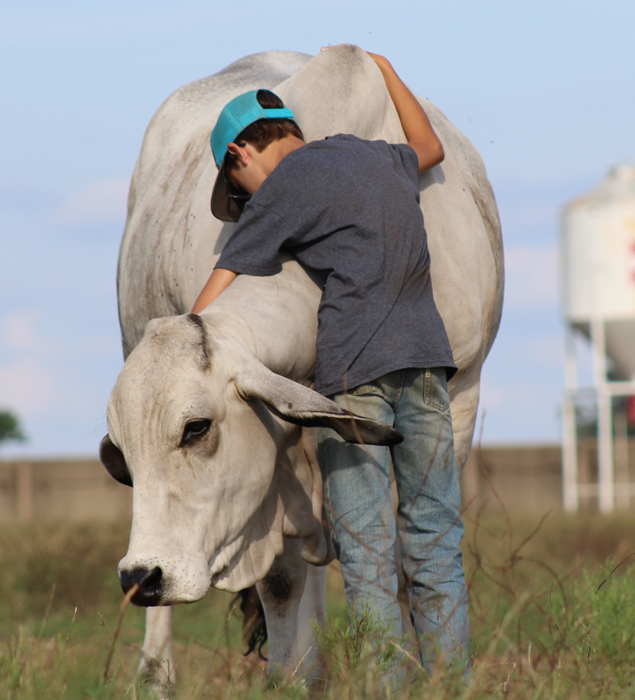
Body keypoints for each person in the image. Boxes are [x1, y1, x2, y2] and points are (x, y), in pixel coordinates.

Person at [192, 50, 469, 676]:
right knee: (435, 544)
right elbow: (430, 146)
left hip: (354, 385)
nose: (245, 200)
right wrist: (389, 69)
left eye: (236, 190)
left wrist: (184, 341)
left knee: (367, 554)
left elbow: (215, 290)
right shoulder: (373, 154)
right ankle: (454, 689)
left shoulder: (278, 193)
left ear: (239, 156)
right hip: (427, 367)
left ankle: (388, 692)